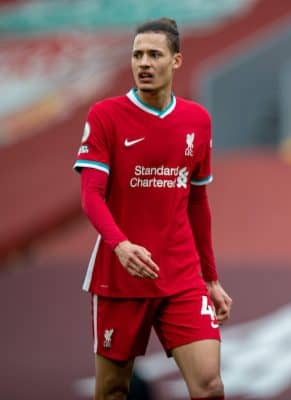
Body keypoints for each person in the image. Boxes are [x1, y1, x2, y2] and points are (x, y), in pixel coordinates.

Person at [73, 18, 232, 400]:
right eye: (137, 55)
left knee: (209, 386)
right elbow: (90, 196)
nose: (143, 63)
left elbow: (197, 203)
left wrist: (210, 278)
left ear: (176, 61)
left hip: (180, 275)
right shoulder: (105, 116)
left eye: (154, 55)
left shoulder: (197, 120)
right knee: (113, 389)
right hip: (120, 277)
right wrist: (121, 246)